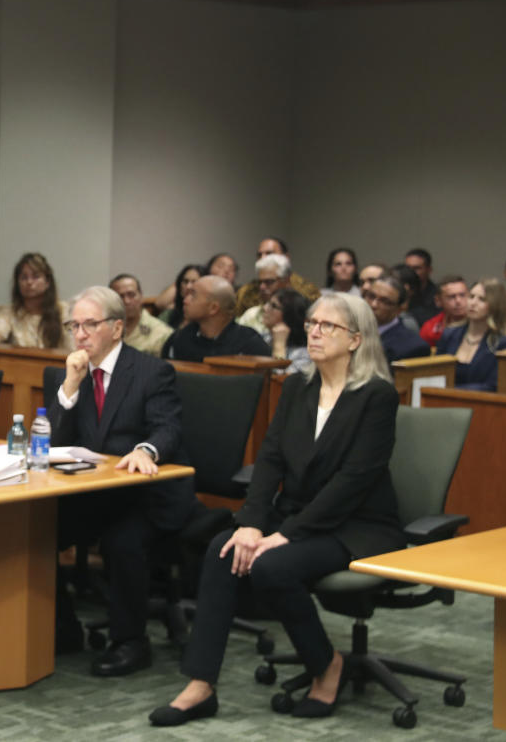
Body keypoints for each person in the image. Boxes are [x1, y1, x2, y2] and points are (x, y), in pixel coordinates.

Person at [150, 292, 404, 726]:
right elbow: (269, 459)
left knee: (271, 566)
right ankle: (200, 685)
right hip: (299, 513)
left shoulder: (377, 396)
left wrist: (284, 534)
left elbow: (353, 481)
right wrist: (250, 523)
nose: (316, 332)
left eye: (329, 326)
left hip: (357, 523)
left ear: (356, 340)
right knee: (222, 549)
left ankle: (326, 665)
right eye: (312, 324)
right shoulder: (297, 386)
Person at [48, 286, 192, 677]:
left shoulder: (151, 371)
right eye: (73, 325)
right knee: (36, 531)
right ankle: (63, 629)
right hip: (90, 494)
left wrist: (146, 449)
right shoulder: (70, 373)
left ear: (116, 327)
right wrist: (70, 388)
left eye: (89, 324)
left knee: (122, 541)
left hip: (143, 496)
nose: (79, 334)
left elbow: (168, 429)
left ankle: (131, 641)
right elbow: (54, 444)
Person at [437, 278, 506, 392]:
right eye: (471, 297)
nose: (473, 303)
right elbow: (435, 375)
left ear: (495, 305)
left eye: (482, 299)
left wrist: (449, 391)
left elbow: (493, 386)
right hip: (442, 401)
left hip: (483, 405)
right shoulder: (450, 334)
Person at [162, 275, 270, 362]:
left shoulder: (249, 345)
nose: (185, 301)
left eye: (193, 295)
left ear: (213, 308)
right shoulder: (180, 338)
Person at [0, 253, 71, 350]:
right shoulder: (8, 312)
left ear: (47, 282)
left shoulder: (63, 310)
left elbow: (72, 345)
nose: (29, 282)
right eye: (24, 278)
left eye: (36, 277)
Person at [235, 238, 319, 312]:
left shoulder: (307, 291)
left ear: (286, 257)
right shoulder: (246, 293)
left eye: (269, 253)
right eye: (259, 254)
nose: (263, 258)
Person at [365, 273, 429, 365]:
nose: (373, 304)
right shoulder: (349, 329)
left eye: (384, 301)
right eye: (371, 296)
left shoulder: (412, 347)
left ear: (399, 309)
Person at [110, 273, 172, 357]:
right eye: (120, 296)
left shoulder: (161, 333)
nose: (127, 301)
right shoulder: (104, 330)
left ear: (141, 296)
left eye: (131, 295)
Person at [236, 254, 293, 340]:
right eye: (260, 282)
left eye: (269, 282)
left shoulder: (301, 314)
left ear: (286, 281)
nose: (262, 287)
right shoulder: (251, 315)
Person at [264, 289, 313, 375]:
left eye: (273, 306)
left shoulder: (304, 355)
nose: (265, 308)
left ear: (290, 315)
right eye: (268, 303)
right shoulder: (263, 337)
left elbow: (279, 382)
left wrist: (279, 346)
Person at [418, 275, 468, 347]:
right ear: (438, 301)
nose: (458, 301)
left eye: (462, 295)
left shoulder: (481, 324)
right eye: (451, 297)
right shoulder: (430, 328)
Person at [157, 264, 206, 329]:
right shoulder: (169, 313)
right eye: (185, 281)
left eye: (194, 282)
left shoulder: (206, 318)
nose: (188, 286)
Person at [403, 249, 438, 326]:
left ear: (429, 270)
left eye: (416, 268)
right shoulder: (400, 293)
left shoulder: (437, 295)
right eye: (408, 268)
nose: (411, 272)